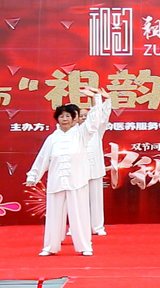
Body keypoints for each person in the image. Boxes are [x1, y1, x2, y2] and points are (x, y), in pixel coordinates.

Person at [25, 87, 111, 256]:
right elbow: (43, 158)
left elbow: (94, 121)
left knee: (80, 215)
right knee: (54, 216)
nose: (64, 119)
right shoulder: (52, 139)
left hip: (77, 181)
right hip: (56, 181)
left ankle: (85, 246)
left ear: (74, 119)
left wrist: (96, 99)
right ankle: (50, 247)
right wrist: (33, 176)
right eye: (61, 116)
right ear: (57, 119)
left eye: (68, 116)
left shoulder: (81, 134)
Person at [79, 106, 110, 236]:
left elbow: (104, 117)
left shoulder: (98, 130)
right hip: (78, 171)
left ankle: (97, 227)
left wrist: (105, 101)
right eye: (80, 115)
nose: (83, 118)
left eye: (86, 115)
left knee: (96, 201)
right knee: (78, 201)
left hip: (95, 170)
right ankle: (77, 228)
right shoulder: (73, 132)